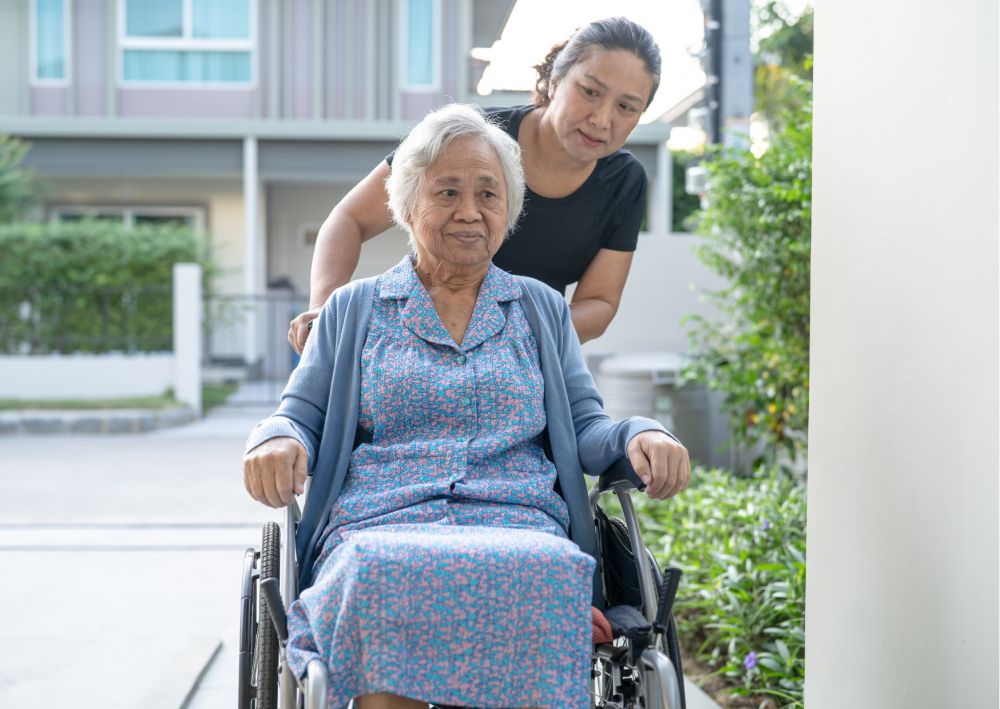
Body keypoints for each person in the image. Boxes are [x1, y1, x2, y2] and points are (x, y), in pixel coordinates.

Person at [244, 104, 689, 709]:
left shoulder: (541, 310)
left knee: (543, 569)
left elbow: (587, 425)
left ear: (509, 210)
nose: (470, 211)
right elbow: (299, 413)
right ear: (404, 206)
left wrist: (640, 432)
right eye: (446, 191)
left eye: (488, 193)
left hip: (518, 522)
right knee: (374, 573)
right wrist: (276, 438)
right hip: (381, 524)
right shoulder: (353, 309)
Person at [288, 16, 663, 353]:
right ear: (554, 81)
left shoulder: (625, 182)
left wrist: (507, 334)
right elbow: (349, 219)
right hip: (416, 343)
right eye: (590, 91)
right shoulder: (468, 136)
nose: (601, 119)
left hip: (526, 357)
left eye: (626, 107)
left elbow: (599, 303)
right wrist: (324, 309)